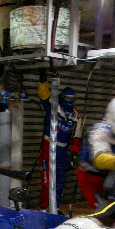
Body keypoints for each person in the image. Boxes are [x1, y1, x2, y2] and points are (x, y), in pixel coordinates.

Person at [38, 69, 83, 210]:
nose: (71, 101)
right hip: (47, 145)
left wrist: (74, 154)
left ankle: (55, 208)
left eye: (73, 99)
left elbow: (77, 136)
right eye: (69, 98)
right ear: (63, 97)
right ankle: (44, 209)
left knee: (60, 181)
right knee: (46, 182)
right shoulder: (54, 106)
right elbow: (44, 96)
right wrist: (42, 81)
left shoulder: (76, 115)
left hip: (62, 150)